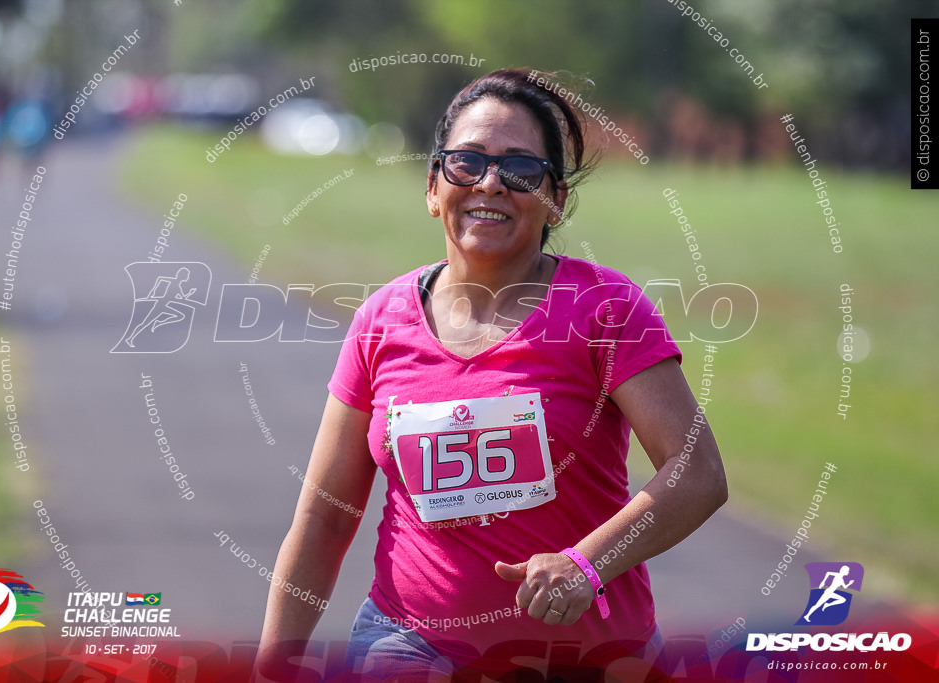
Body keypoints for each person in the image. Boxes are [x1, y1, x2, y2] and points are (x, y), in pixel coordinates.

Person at [255, 68, 728, 681]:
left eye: (521, 169)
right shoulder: (382, 319)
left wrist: (586, 564)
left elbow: (698, 472)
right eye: (467, 162)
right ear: (433, 188)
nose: (491, 183)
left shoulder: (604, 308)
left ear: (555, 198)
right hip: (409, 645)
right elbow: (325, 515)